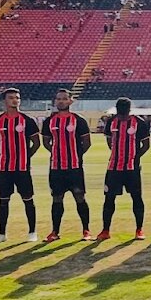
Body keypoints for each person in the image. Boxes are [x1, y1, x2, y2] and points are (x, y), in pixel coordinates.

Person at [0, 88, 41, 242]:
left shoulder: (28, 120)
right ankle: (2, 234)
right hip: (4, 168)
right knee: (3, 200)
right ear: (4, 101)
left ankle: (32, 232)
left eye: (17, 98)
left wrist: (24, 156)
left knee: (28, 199)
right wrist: (8, 155)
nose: (15, 100)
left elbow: (36, 143)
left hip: (22, 168)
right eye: (11, 98)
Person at [42, 89, 92, 242]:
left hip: (74, 168)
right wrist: (57, 153)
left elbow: (86, 143)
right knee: (57, 199)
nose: (61, 101)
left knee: (79, 197)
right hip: (56, 168)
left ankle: (86, 230)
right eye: (59, 99)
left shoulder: (79, 120)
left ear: (71, 101)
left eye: (64, 99)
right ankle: (55, 231)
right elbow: (46, 142)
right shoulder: (49, 121)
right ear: (55, 101)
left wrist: (75, 154)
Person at [100, 97, 151, 239]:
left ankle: (139, 230)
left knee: (136, 197)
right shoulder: (111, 122)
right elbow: (109, 141)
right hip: (113, 167)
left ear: (130, 108)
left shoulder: (139, 122)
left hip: (132, 168)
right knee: (109, 198)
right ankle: (105, 230)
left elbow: (146, 145)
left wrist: (135, 157)